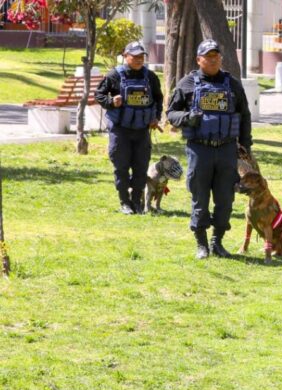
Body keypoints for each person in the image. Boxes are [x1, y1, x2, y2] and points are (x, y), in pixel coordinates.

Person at [166, 39, 253, 259]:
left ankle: (217, 242)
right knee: (200, 197)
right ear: (199, 59)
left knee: (225, 199)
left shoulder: (232, 84)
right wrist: (187, 118)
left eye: (216, 56)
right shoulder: (187, 83)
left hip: (226, 150)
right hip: (199, 150)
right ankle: (201, 244)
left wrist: (246, 146)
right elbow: (171, 114)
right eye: (208, 56)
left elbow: (244, 116)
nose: (213, 60)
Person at [95, 41, 163, 215]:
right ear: (125, 56)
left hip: (142, 130)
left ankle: (137, 202)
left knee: (141, 167)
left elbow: (158, 98)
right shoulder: (114, 75)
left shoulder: (150, 77)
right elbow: (99, 94)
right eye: (134, 56)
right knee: (121, 167)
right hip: (120, 130)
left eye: (141, 57)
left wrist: (156, 118)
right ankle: (124, 201)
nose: (139, 60)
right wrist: (111, 101)